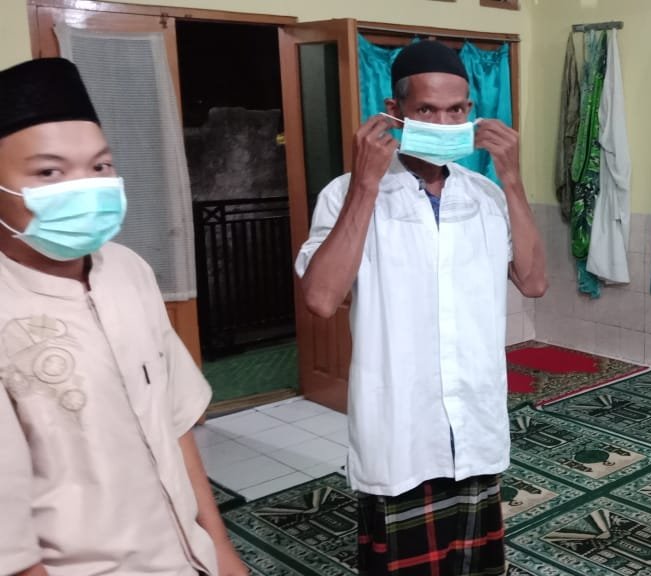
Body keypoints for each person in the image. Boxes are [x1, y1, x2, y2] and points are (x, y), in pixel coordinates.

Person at [295, 40, 547, 575]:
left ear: (470, 112)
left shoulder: (485, 194)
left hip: (472, 410)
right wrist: (366, 184)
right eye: (427, 110)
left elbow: (533, 281)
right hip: (401, 418)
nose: (444, 122)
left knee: (475, 564)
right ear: (395, 112)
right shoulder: (345, 194)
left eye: (456, 110)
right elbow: (320, 298)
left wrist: (511, 178)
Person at [0, 58, 247, 576]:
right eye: (49, 172)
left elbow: (174, 422)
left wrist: (220, 549)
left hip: (188, 559)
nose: (86, 187)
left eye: (100, 166)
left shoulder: (128, 269)